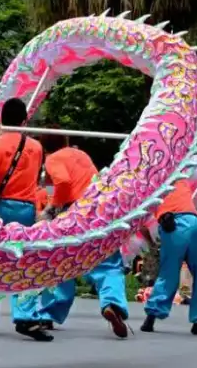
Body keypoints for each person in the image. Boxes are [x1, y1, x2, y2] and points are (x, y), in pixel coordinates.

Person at [0, 98, 52, 342]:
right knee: (23, 261)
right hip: (26, 208)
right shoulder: (36, 147)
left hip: (0, 207)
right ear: (24, 120)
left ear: (2, 118)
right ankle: (25, 314)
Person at [36, 132, 129, 338]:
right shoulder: (82, 155)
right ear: (66, 141)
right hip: (101, 211)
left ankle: (48, 313)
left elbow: (62, 182)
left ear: (45, 148)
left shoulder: (53, 158)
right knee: (108, 263)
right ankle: (112, 303)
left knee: (62, 264)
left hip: (76, 214)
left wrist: (52, 207)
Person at [139, 179, 197, 336]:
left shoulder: (148, 182)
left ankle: (151, 316)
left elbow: (141, 223)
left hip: (169, 224)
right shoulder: (182, 176)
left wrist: (151, 242)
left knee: (168, 273)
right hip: (191, 222)